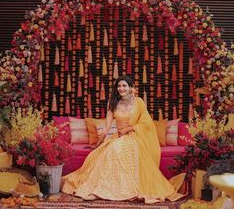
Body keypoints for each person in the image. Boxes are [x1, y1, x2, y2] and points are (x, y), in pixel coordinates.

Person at [62, 75, 185, 203]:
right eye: (119, 86)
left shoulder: (138, 102)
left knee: (117, 150)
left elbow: (147, 123)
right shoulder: (113, 102)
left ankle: (120, 190)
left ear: (130, 87)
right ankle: (98, 189)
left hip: (134, 137)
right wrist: (99, 141)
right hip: (118, 137)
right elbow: (107, 126)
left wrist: (129, 129)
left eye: (124, 86)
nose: (121, 88)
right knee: (100, 154)